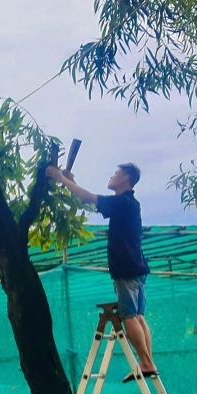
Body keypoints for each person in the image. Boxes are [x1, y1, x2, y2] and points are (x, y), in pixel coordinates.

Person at [47, 163, 156, 381]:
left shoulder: (123, 202)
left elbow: (88, 198)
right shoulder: (127, 204)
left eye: (116, 173)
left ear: (126, 177)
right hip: (136, 268)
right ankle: (148, 362)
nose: (112, 176)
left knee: (128, 316)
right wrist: (71, 182)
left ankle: (145, 362)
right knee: (138, 315)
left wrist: (61, 179)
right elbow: (90, 203)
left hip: (126, 269)